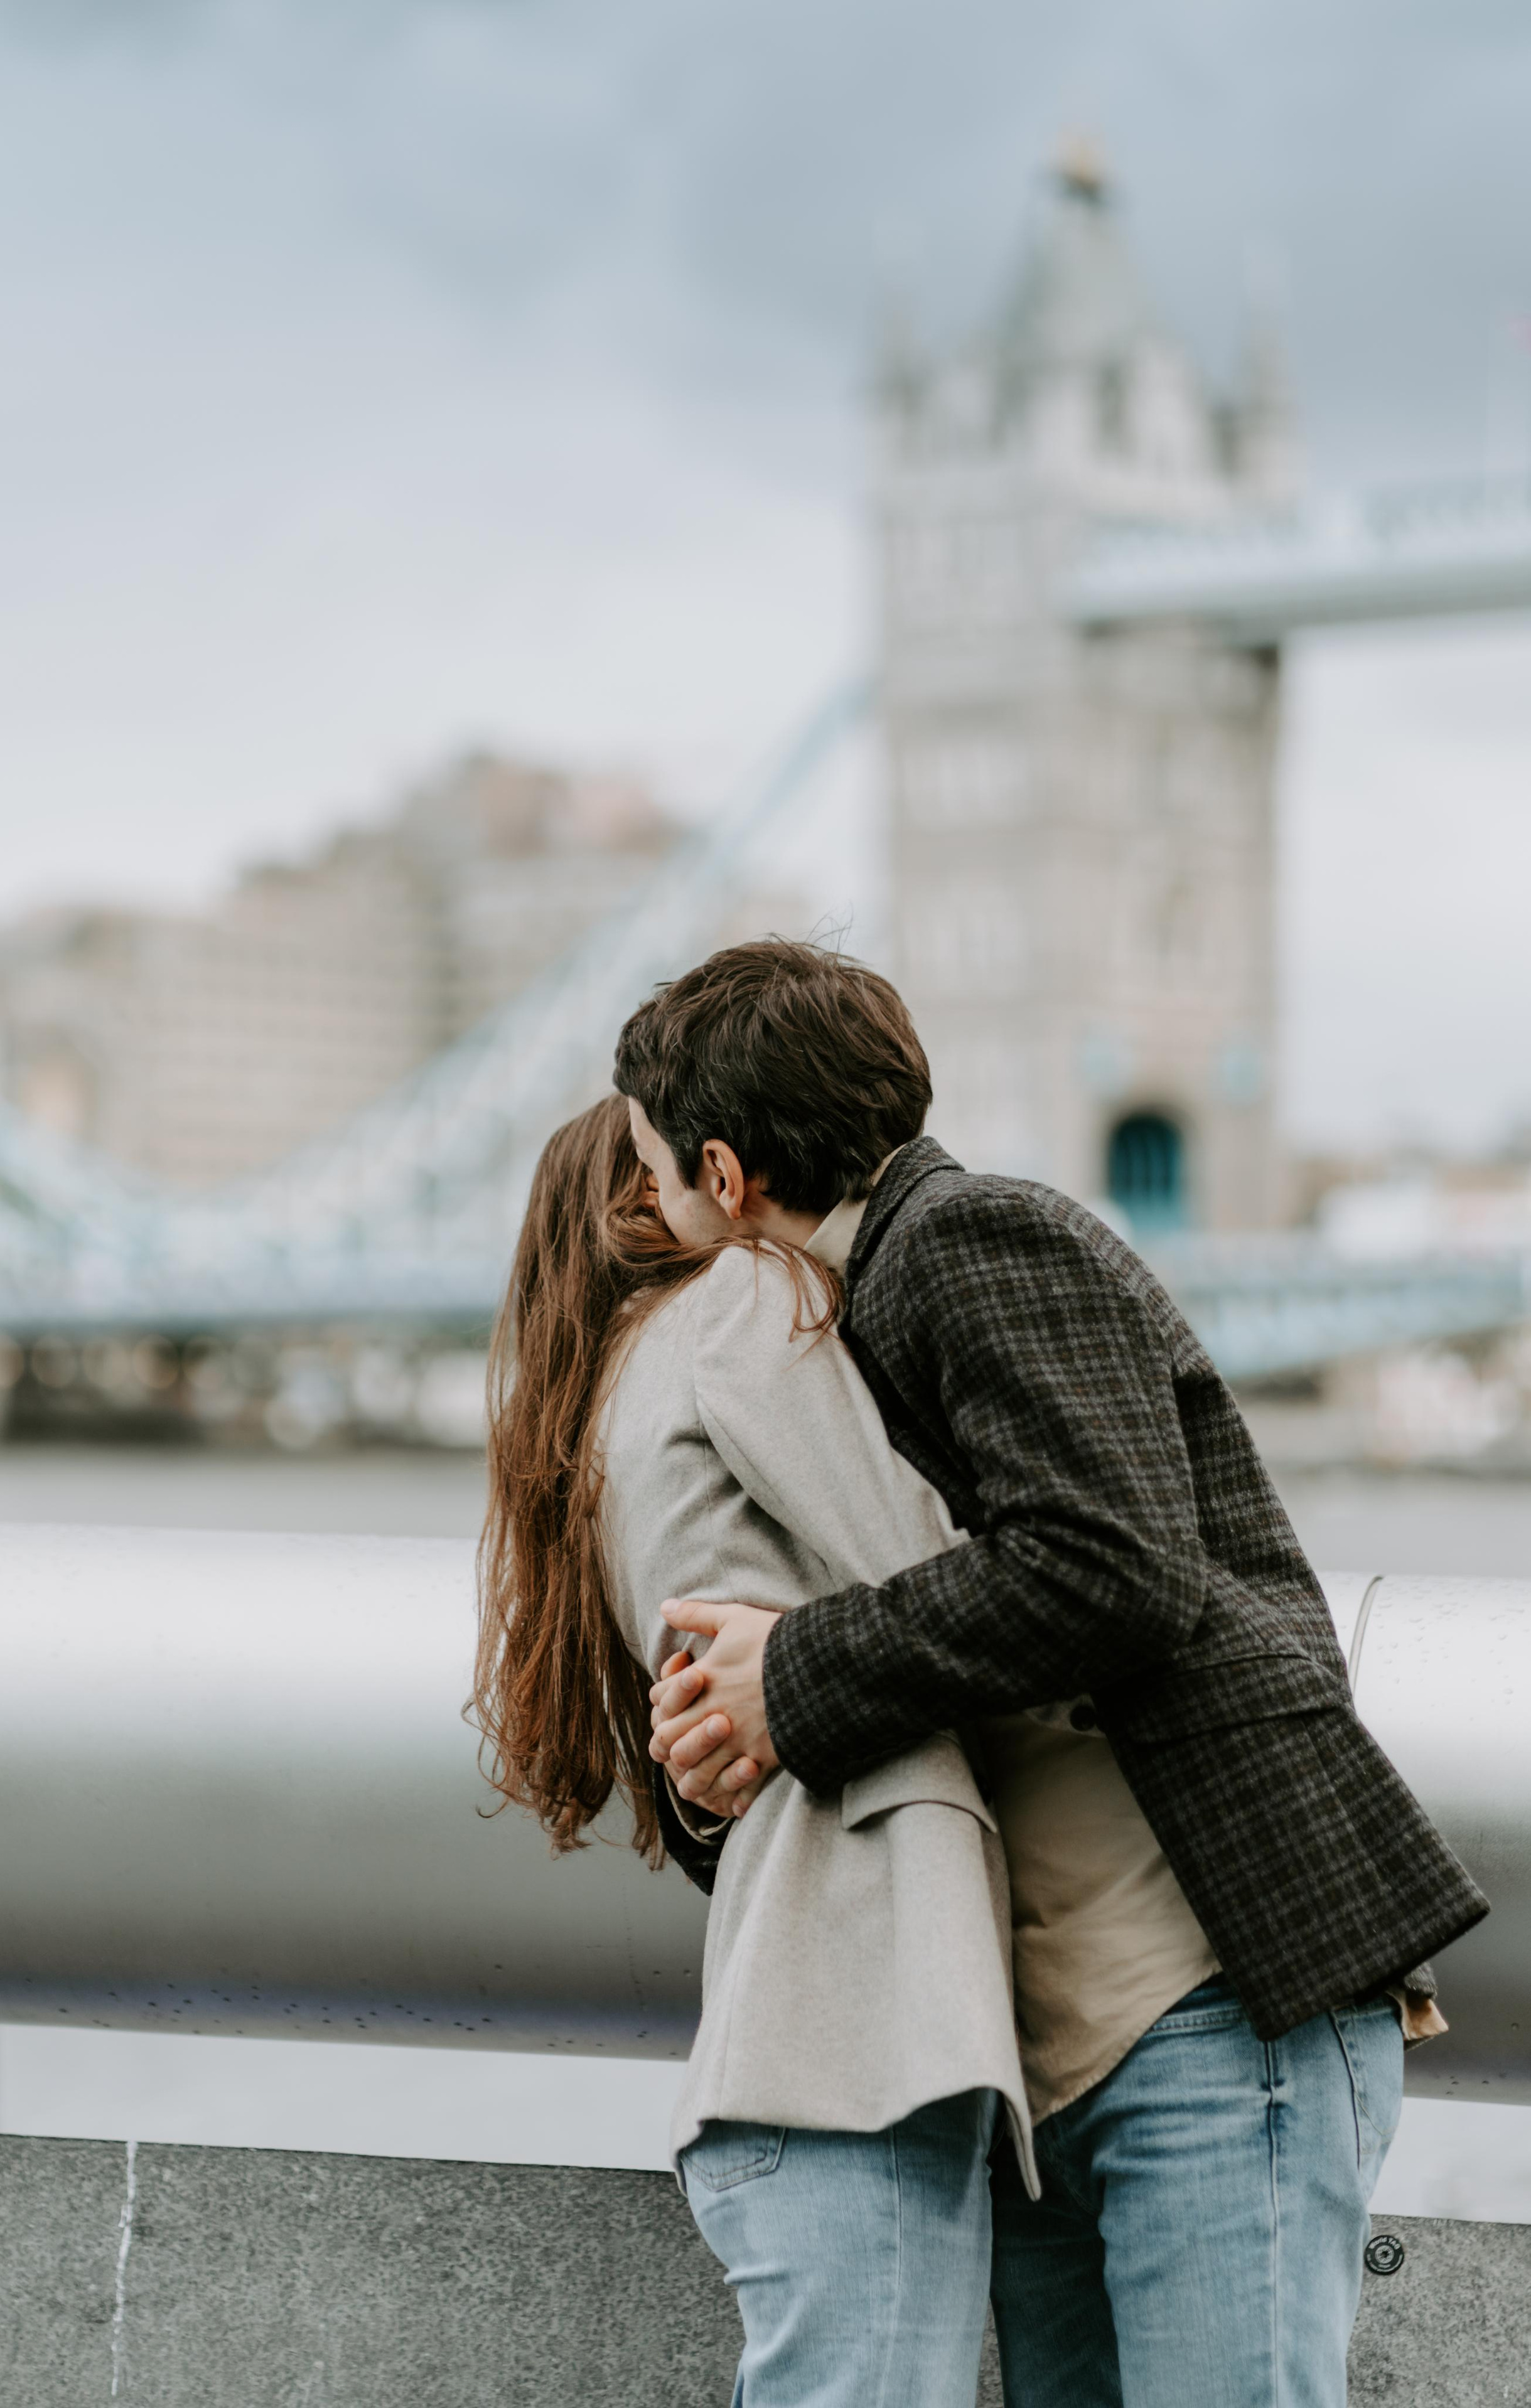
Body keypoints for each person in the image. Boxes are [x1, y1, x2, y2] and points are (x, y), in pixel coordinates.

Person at [623, 938, 1490, 2408]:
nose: (647, 1210)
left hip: (1217, 2001)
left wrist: (802, 1674)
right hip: (1068, 2047)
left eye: (650, 1175)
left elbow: (1112, 1561)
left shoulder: (970, 1238)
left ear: (722, 1168)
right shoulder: (857, 1305)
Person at [473, 1092, 1035, 2408]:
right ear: (661, 1191)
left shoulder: (603, 1392)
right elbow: (929, 1559)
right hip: (855, 2013)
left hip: (795, 2019)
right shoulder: (732, 1301)